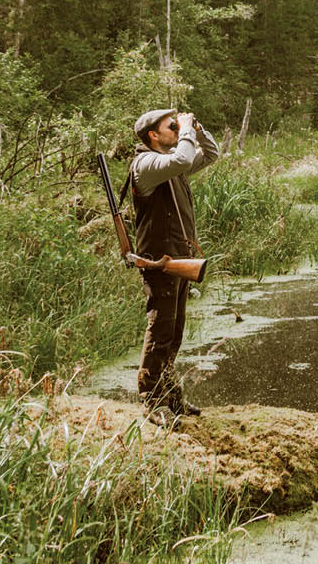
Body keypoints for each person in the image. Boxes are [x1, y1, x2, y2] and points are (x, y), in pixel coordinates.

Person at [130, 108, 219, 423]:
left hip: (178, 258)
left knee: (175, 330)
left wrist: (196, 126)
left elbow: (211, 153)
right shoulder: (148, 164)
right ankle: (153, 402)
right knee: (161, 329)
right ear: (153, 135)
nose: (176, 128)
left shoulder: (169, 162)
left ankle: (170, 397)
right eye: (170, 126)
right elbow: (182, 159)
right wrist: (186, 133)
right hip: (160, 260)